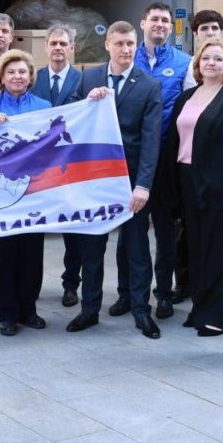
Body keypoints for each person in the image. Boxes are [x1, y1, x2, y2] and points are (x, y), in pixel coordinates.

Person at [68, 21, 163, 339]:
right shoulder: (88, 78)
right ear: (107, 45)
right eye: (120, 43)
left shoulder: (149, 85)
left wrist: (143, 185)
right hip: (94, 180)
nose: (126, 49)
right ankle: (89, 310)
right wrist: (86, 101)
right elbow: (70, 120)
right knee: (92, 249)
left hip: (130, 182)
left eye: (131, 44)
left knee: (137, 249)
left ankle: (141, 311)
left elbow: (151, 140)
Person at [159, 39, 223, 336]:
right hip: (187, 179)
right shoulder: (187, 96)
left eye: (218, 59)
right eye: (206, 58)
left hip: (217, 183)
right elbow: (174, 141)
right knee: (195, 247)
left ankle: (220, 314)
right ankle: (201, 307)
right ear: (197, 64)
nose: (212, 63)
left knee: (219, 248)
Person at [0, 49, 52, 335]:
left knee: (31, 253)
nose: (17, 76)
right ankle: (6, 314)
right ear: (1, 77)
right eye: (11, 72)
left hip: (33, 192)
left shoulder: (44, 106)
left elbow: (52, 144)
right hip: (0, 193)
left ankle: (28, 309)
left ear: (30, 77)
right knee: (2, 254)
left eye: (23, 72)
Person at [133, 2, 191, 319]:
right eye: (154, 18)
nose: (159, 24)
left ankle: (164, 294)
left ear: (171, 26)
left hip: (168, 160)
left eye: (165, 20)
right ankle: (129, 293)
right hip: (133, 158)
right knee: (132, 231)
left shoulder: (184, 63)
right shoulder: (127, 59)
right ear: (143, 23)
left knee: (166, 233)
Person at [31, 24, 84, 307]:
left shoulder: (84, 80)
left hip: (69, 166)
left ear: (72, 48)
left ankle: (71, 284)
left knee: (72, 230)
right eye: (53, 43)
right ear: (46, 47)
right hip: (37, 167)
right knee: (33, 227)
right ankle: (31, 285)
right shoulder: (33, 79)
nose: (58, 48)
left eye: (63, 44)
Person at [182, 9, 223, 90]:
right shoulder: (187, 66)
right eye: (204, 28)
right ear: (195, 35)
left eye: (214, 28)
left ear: (220, 32)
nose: (210, 33)